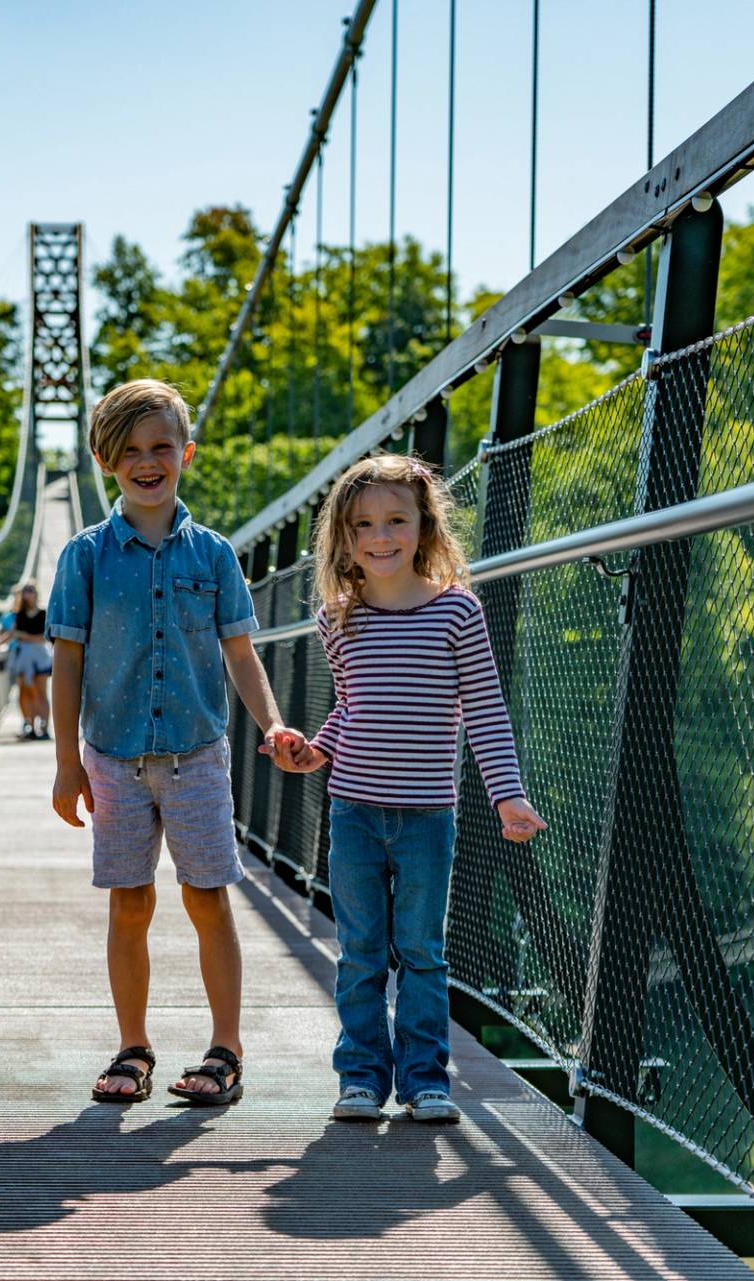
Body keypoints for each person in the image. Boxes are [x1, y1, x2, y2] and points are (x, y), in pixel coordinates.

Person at [47, 378, 302, 1108]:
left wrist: (273, 722)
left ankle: (226, 1048)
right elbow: (66, 660)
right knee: (129, 903)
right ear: (105, 461)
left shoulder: (215, 555)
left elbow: (241, 654)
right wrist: (67, 762)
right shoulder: (86, 557)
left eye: (162, 446)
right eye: (129, 451)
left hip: (197, 754)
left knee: (207, 898)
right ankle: (134, 1046)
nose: (147, 461)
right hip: (115, 759)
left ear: (186, 452)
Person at [273, 453, 545, 1126]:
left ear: (424, 526)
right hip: (355, 810)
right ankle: (361, 1077)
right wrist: (315, 750)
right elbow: (350, 704)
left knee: (422, 952)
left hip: (428, 815)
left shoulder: (456, 611)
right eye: (363, 524)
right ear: (344, 536)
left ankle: (426, 1079)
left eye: (396, 520)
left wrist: (507, 795)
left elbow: (483, 707)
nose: (381, 536)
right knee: (361, 953)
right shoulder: (338, 617)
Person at [0, 581, 53, 739]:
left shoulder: (44, 614)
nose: (28, 593)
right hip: (23, 658)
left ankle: (43, 728)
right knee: (24, 692)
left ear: (36, 593)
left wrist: (24, 637)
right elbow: (11, 634)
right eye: (26, 591)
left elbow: (45, 638)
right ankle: (28, 725)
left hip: (40, 656)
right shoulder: (19, 615)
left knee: (40, 693)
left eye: (31, 590)